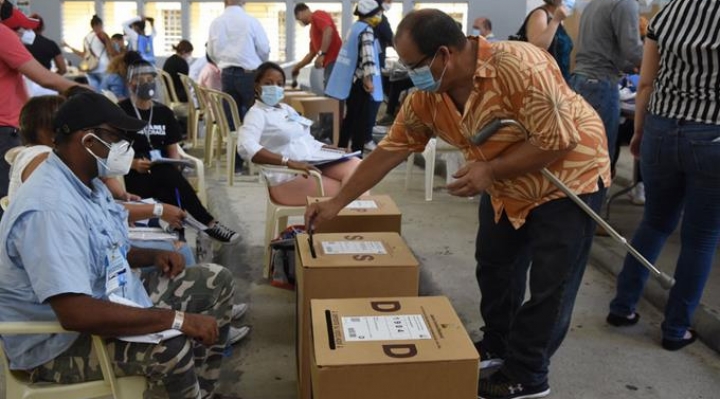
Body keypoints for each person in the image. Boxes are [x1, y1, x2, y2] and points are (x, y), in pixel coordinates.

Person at [307, 9, 610, 399]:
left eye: (415, 65)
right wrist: (337, 203)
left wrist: (492, 169)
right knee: (495, 264)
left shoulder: (520, 65)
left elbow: (559, 140)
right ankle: (498, 344)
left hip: (569, 177)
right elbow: (388, 152)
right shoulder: (426, 99)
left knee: (552, 283)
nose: (410, 75)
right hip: (506, 181)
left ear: (445, 55)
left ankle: (529, 373)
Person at [0, 91, 239, 399]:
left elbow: (104, 247)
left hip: (109, 297)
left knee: (215, 281)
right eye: (115, 137)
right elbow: (75, 314)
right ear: (86, 139)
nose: (123, 147)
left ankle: (200, 391)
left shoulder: (87, 184)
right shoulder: (50, 208)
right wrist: (176, 319)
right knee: (171, 345)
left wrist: (152, 255)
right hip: (57, 344)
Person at [607, 0, 720, 352]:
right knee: (700, 238)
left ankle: (622, 307)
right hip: (712, 134)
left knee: (654, 222)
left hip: (660, 127)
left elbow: (645, 83)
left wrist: (640, 132)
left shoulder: (669, 12)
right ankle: (675, 329)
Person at [118, 61, 240, 244]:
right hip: (132, 175)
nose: (145, 83)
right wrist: (133, 163)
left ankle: (178, 233)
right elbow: (112, 152)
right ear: (129, 83)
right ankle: (207, 223)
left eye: (149, 79)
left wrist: (174, 166)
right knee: (169, 178)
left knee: (168, 176)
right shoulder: (121, 112)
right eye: (139, 79)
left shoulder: (163, 112)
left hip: (161, 171)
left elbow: (173, 150)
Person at [237, 62, 362, 205]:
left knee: (359, 168)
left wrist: (332, 149)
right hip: (287, 178)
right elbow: (245, 146)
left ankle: (352, 224)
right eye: (268, 83)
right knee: (352, 191)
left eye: (279, 84)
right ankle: (350, 224)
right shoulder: (257, 114)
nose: (274, 88)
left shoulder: (287, 110)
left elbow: (307, 139)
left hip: (310, 164)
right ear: (256, 86)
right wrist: (288, 162)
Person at [0, 0, 78, 219]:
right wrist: (85, 91)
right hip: (5, 130)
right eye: (20, 29)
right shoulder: (3, 35)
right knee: (8, 206)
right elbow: (46, 79)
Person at [569, 0, 643, 168]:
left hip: (581, 80)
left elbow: (604, 49)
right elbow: (633, 50)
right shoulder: (625, 3)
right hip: (600, 83)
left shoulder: (594, 3)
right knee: (599, 158)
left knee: (582, 152)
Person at [325, 0, 384, 155]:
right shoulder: (366, 30)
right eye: (378, 13)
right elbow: (368, 55)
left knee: (350, 117)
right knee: (360, 120)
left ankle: (341, 149)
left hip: (350, 81)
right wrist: (368, 79)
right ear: (371, 14)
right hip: (360, 81)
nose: (380, 16)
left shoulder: (355, 28)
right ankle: (357, 154)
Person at [208, 0, 270, 121]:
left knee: (231, 119)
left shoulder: (216, 23)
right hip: (249, 74)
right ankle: (250, 139)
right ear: (244, 1)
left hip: (226, 74)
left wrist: (222, 63)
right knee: (255, 116)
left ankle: (232, 140)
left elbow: (211, 52)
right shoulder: (251, 21)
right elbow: (264, 49)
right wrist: (259, 64)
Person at [291, 3, 342, 88]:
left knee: (332, 94)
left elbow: (328, 30)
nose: (300, 22)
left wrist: (322, 54)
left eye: (298, 19)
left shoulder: (317, 15)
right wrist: (297, 67)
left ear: (300, 13)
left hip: (335, 60)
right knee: (330, 94)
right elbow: (311, 55)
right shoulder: (312, 31)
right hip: (328, 64)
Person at [523, 0, 572, 81]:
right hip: (544, 80)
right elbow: (537, 48)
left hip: (560, 79)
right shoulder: (541, 14)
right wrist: (556, 20)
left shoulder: (559, 17)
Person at [65, 15, 116, 90]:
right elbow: (111, 52)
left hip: (91, 68)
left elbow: (84, 55)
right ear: (99, 25)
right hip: (104, 68)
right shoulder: (103, 35)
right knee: (105, 92)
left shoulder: (86, 38)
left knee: (94, 91)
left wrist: (69, 47)